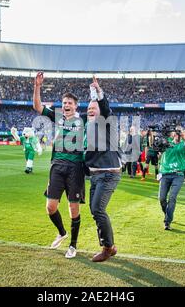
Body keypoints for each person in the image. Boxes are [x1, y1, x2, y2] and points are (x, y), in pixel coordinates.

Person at [32, 72, 86, 259]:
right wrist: (37, 86)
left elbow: (100, 112)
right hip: (57, 166)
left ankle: (73, 245)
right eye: (64, 103)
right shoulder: (58, 117)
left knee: (73, 208)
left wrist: (97, 94)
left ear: (76, 106)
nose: (66, 106)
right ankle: (62, 232)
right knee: (51, 207)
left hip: (75, 168)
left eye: (69, 103)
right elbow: (38, 107)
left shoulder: (83, 120)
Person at [85, 76, 122, 262]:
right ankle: (110, 245)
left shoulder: (107, 122)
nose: (90, 110)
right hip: (96, 175)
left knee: (98, 209)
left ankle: (107, 248)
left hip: (109, 173)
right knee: (94, 210)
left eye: (93, 108)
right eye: (88, 109)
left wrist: (98, 93)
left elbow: (105, 108)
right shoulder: (88, 128)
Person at [158, 127, 185, 230]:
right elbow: (157, 147)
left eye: (180, 132)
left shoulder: (183, 144)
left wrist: (183, 135)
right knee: (161, 199)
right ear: (173, 134)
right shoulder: (167, 143)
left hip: (178, 175)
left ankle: (167, 222)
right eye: (176, 132)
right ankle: (167, 215)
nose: (178, 134)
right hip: (165, 174)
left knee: (172, 197)